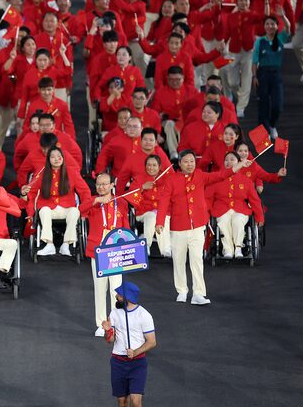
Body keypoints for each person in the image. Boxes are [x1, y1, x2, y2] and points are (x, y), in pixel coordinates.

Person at [155, 150, 252, 305]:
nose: (189, 164)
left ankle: (198, 294)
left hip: (197, 226)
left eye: (192, 161)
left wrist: (239, 165)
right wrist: (159, 221)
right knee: (179, 261)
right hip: (178, 227)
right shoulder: (171, 180)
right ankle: (182, 291)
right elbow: (164, 201)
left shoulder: (200, 175)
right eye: (185, 161)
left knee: (197, 260)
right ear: (179, 164)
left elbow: (220, 175)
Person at [86, 173, 129, 337]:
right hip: (97, 249)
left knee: (116, 289)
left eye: (104, 184)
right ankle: (101, 324)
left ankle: (115, 323)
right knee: (100, 288)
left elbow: (126, 226)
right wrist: (95, 201)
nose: (101, 187)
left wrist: (128, 246)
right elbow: (80, 210)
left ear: (112, 185)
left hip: (115, 249)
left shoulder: (121, 202)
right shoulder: (93, 202)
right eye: (98, 184)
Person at [28, 147, 92, 257]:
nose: (56, 159)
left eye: (59, 156)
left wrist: (85, 211)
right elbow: (32, 192)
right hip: (48, 208)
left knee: (75, 212)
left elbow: (85, 191)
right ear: (48, 160)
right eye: (53, 157)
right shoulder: (42, 173)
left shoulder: (71, 172)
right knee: (44, 211)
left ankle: (66, 245)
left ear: (63, 158)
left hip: (66, 208)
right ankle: (49, 245)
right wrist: (30, 211)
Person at [101, 282, 157, 407]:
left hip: (137, 363)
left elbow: (152, 342)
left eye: (119, 295)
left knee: (136, 401)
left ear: (128, 297)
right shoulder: (114, 313)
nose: (116, 296)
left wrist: (136, 352)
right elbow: (110, 340)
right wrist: (108, 331)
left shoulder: (144, 315)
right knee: (122, 402)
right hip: (117, 363)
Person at [208, 152, 265, 259]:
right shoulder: (216, 179)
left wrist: (259, 217)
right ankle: (228, 250)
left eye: (232, 159)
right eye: (226, 160)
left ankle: (238, 248)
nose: (228, 162)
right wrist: (205, 214)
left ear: (239, 162)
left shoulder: (246, 181)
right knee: (223, 222)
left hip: (240, 209)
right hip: (221, 209)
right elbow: (207, 198)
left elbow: (255, 201)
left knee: (237, 221)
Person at [252, 14, 290, 139]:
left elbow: (289, 27)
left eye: (272, 24)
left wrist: (282, 16)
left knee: (277, 105)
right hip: (262, 74)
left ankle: (272, 125)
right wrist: (254, 77)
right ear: (264, 26)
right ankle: (264, 132)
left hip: (276, 75)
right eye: (267, 24)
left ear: (277, 26)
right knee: (263, 104)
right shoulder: (260, 41)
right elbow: (254, 61)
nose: (270, 26)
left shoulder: (280, 39)